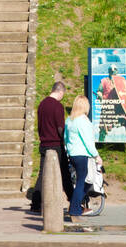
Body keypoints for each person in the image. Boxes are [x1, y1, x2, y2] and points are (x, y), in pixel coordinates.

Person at [29, 81, 74, 214]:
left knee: (42, 175)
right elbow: (60, 128)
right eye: (63, 94)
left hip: (44, 144)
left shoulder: (42, 104)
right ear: (60, 91)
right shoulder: (58, 106)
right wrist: (65, 140)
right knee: (65, 174)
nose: (62, 97)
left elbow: (40, 126)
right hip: (56, 145)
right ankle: (74, 201)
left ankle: (36, 203)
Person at [64, 95, 100, 221]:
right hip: (82, 155)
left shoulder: (69, 120)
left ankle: (75, 205)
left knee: (80, 181)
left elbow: (65, 138)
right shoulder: (83, 121)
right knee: (83, 182)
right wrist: (97, 156)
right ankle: (75, 208)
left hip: (72, 155)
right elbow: (88, 142)